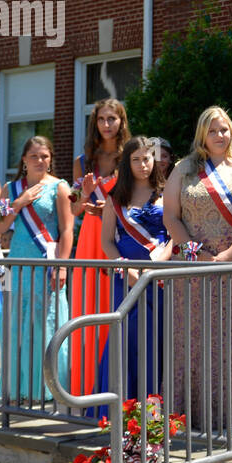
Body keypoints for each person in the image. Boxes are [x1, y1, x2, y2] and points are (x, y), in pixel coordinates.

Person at [163, 106, 232, 430]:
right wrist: (197, 253)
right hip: (192, 271)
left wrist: (230, 255)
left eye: (224, 129)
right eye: (213, 130)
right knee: (191, 339)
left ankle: (229, 413)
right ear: (202, 135)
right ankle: (186, 414)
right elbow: (171, 217)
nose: (220, 135)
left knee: (230, 340)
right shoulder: (184, 168)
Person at [0, 136, 74, 403]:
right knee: (17, 324)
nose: (41, 161)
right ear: (24, 160)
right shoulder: (10, 188)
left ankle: (48, 388)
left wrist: (61, 266)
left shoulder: (60, 187)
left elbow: (67, 229)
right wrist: (20, 201)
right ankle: (18, 388)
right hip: (18, 263)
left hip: (47, 265)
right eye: (35, 156)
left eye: (45, 156)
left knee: (46, 323)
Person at [100, 136, 173, 405]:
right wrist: (126, 270)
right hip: (126, 279)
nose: (143, 164)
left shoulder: (168, 192)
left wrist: (161, 262)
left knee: (158, 340)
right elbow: (106, 241)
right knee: (128, 339)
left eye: (147, 158)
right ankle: (123, 408)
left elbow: (175, 234)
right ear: (127, 163)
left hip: (161, 277)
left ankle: (156, 409)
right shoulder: (115, 198)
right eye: (136, 159)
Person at [69, 99, 131, 399]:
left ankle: (113, 386)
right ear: (95, 123)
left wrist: (112, 205)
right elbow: (74, 208)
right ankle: (85, 386)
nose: (107, 124)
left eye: (113, 119)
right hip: (89, 237)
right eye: (102, 119)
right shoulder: (83, 161)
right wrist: (86, 196)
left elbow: (138, 198)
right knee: (87, 308)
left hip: (117, 236)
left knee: (114, 305)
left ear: (122, 122)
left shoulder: (129, 157)